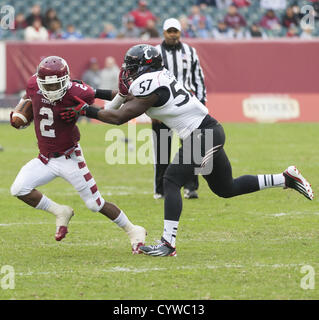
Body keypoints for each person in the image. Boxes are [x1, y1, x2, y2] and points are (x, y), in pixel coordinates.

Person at [59, 44, 314, 257]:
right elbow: (123, 97)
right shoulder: (156, 79)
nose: (127, 72)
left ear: (145, 68)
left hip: (202, 134)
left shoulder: (148, 85)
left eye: (132, 68)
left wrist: (84, 109)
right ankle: (285, 178)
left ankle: (168, 243)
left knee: (171, 180)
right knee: (226, 188)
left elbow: (118, 117)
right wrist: (92, 94)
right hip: (209, 130)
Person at [10, 56, 146, 254]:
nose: (51, 89)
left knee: (95, 204)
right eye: (47, 85)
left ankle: (134, 230)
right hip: (45, 158)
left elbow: (104, 97)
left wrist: (125, 97)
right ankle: (60, 211)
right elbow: (27, 97)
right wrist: (19, 114)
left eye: (56, 84)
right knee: (19, 189)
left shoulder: (76, 91)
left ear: (65, 80)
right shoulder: (33, 84)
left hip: (69, 157)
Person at [153, 18, 207, 200]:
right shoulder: (155, 53)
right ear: (164, 33)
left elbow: (198, 79)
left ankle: (191, 187)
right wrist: (152, 110)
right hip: (162, 108)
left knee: (192, 149)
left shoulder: (190, 51)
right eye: (170, 31)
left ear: (180, 32)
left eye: (176, 31)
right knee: (162, 150)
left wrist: (201, 105)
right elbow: (150, 82)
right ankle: (160, 189)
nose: (173, 35)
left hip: (186, 109)